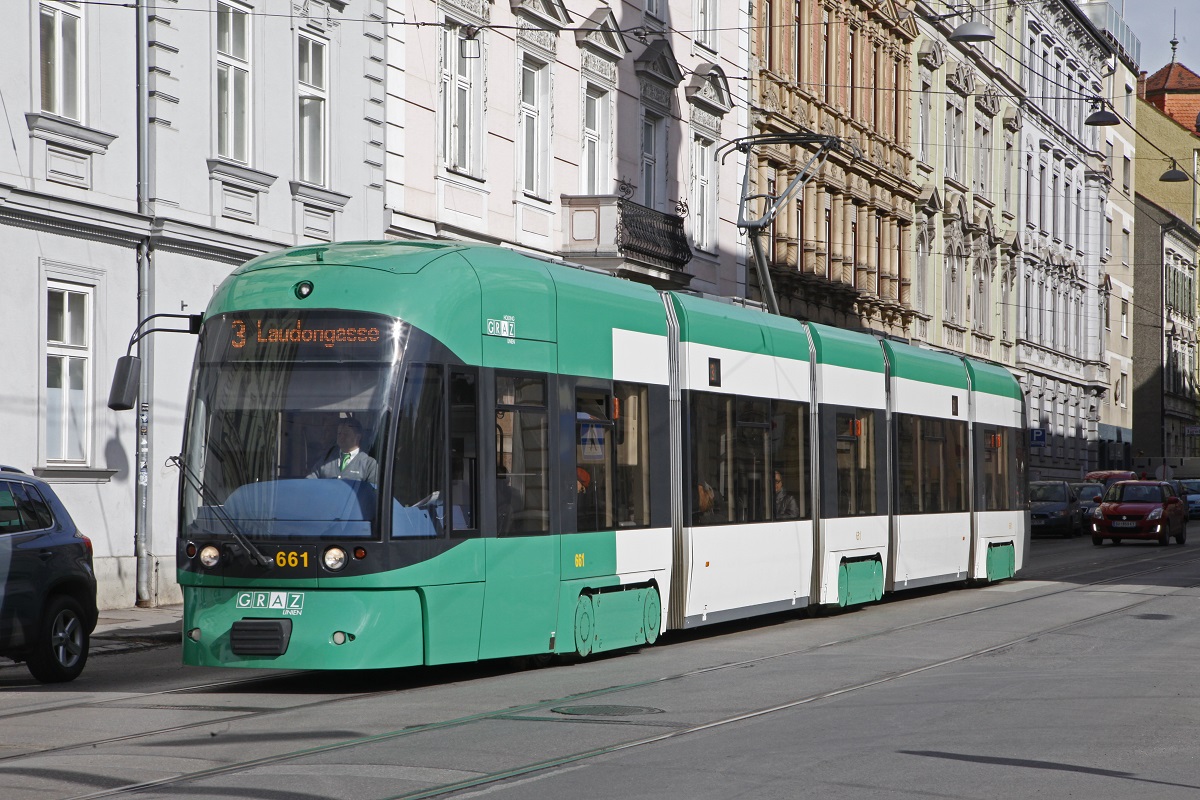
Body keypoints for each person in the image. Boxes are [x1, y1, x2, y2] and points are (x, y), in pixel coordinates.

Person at [307, 417, 378, 484]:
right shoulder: (325, 460)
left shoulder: (369, 464)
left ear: (358, 437)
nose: (341, 437)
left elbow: (372, 492)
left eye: (346, 434)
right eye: (339, 433)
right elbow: (309, 484)